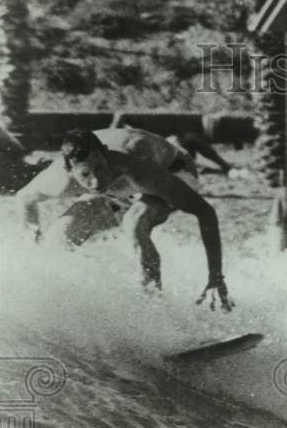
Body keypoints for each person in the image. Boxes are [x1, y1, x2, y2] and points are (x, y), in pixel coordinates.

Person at [15, 127, 233, 310]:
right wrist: (32, 235)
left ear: (106, 154)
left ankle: (156, 314)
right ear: (70, 170)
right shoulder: (59, 180)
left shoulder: (139, 170)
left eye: (99, 167)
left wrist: (216, 277)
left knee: (134, 224)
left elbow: (206, 212)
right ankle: (64, 308)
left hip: (174, 169)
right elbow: (23, 198)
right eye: (85, 175)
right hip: (120, 189)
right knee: (58, 239)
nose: (96, 180)